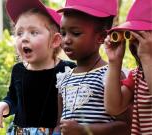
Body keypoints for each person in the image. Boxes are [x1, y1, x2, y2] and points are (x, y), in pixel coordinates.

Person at [0, 0, 76, 134]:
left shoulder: (68, 70)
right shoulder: (19, 70)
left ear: (55, 40)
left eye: (33, 32)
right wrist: (1, 106)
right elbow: (13, 99)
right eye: (19, 33)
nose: (24, 38)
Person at [56, 0, 131, 134]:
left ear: (101, 37)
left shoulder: (111, 75)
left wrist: (82, 130)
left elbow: (125, 126)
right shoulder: (64, 78)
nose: (66, 39)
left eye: (76, 33)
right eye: (63, 33)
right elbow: (59, 124)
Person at [104, 0, 152, 134]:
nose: (135, 44)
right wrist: (114, 61)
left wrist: (147, 57)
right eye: (131, 36)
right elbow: (113, 107)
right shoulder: (137, 76)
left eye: (141, 36)